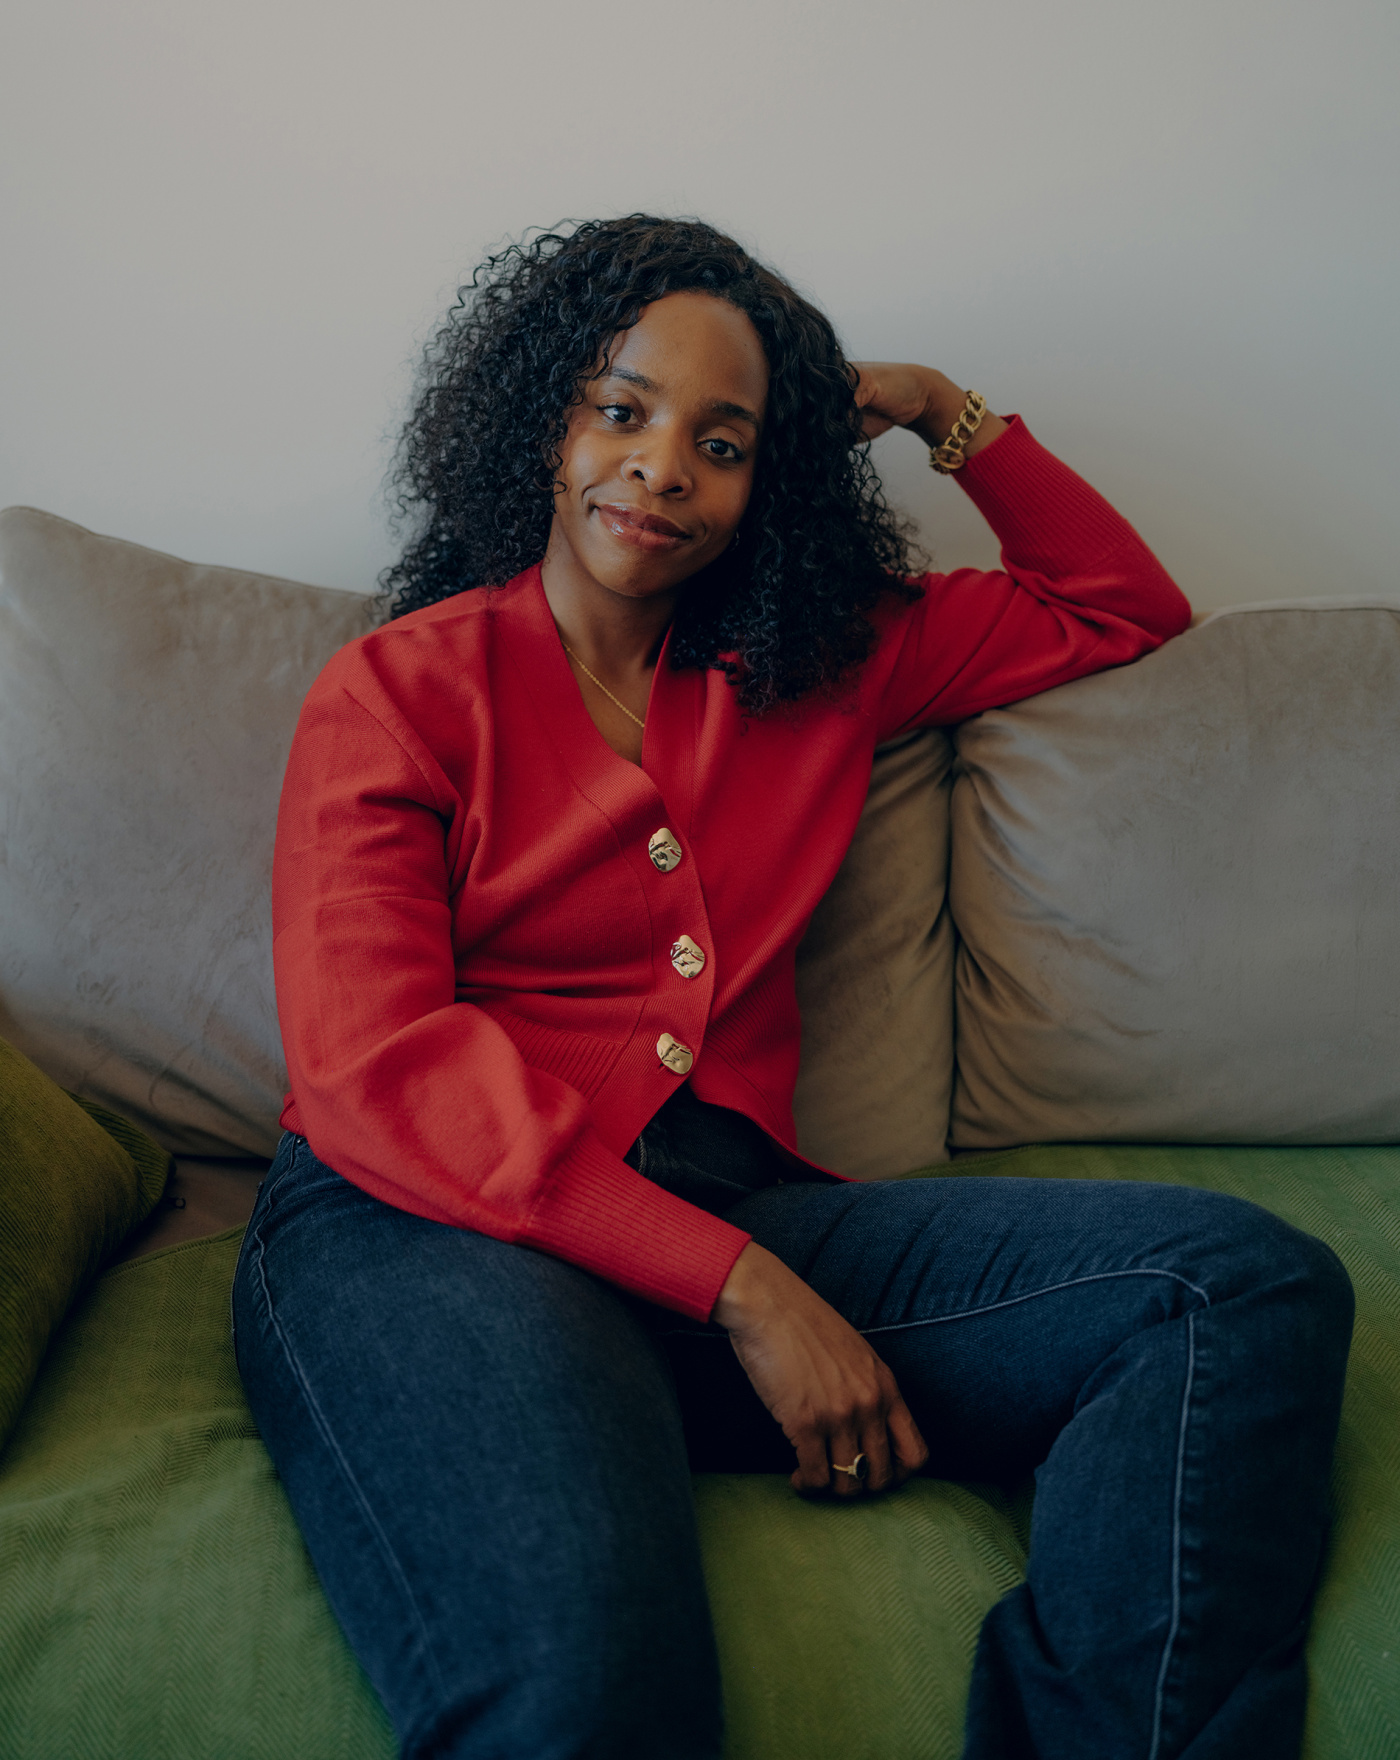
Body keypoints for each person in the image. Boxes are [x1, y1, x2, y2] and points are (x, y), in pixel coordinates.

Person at [232, 216, 1353, 1760]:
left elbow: (1117, 606)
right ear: (543, 417)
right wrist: (746, 1293)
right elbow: (377, 1072)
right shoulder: (398, 691)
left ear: (776, 484)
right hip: (420, 1236)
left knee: (1236, 1286)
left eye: (724, 438)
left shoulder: (820, 659)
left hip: (730, 1210)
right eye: (620, 409)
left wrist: (947, 411)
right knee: (586, 1693)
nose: (660, 466)